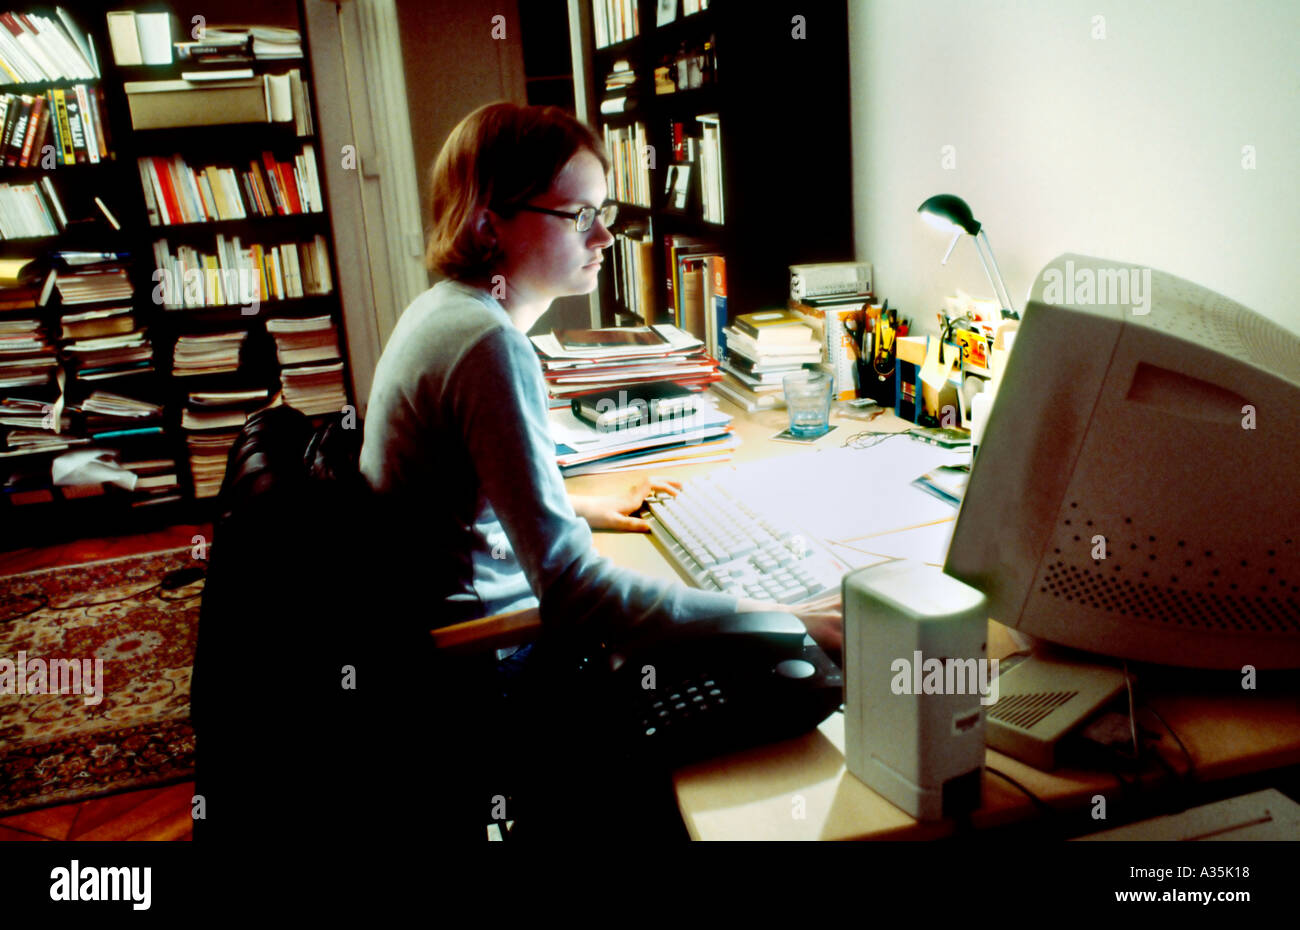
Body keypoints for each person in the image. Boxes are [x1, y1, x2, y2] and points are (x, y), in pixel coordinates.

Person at [358, 102, 841, 837]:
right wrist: (781, 614)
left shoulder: (444, 312)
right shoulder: (487, 345)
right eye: (577, 214)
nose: (605, 236)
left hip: (452, 650)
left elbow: (458, 500)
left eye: (603, 209)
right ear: (491, 225)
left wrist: (573, 505)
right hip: (483, 671)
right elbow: (578, 595)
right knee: (770, 694)